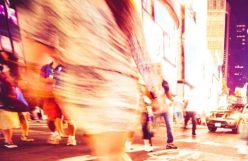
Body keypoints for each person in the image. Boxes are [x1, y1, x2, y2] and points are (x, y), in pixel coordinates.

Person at [16, 1, 164, 160]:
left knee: (110, 153)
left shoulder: (124, 5)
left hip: (109, 87)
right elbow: (40, 35)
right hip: (87, 88)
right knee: (111, 153)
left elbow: (38, 36)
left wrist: (155, 91)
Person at [40, 62, 77, 145]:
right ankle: (56, 134)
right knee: (51, 119)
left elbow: (74, 79)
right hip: (50, 95)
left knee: (69, 118)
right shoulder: (45, 67)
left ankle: (72, 138)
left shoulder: (68, 65)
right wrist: (46, 80)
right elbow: (40, 79)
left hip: (65, 94)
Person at [0, 65, 21, 148]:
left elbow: (13, 85)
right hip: (4, 102)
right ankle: (7, 141)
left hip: (8, 102)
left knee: (8, 122)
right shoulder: (4, 78)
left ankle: (9, 140)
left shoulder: (5, 78)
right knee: (5, 122)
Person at [159, 80, 178, 149]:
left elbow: (167, 92)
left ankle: (170, 143)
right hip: (159, 106)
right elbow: (168, 93)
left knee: (169, 125)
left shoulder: (163, 81)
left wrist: (172, 100)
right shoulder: (154, 79)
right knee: (169, 125)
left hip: (163, 106)